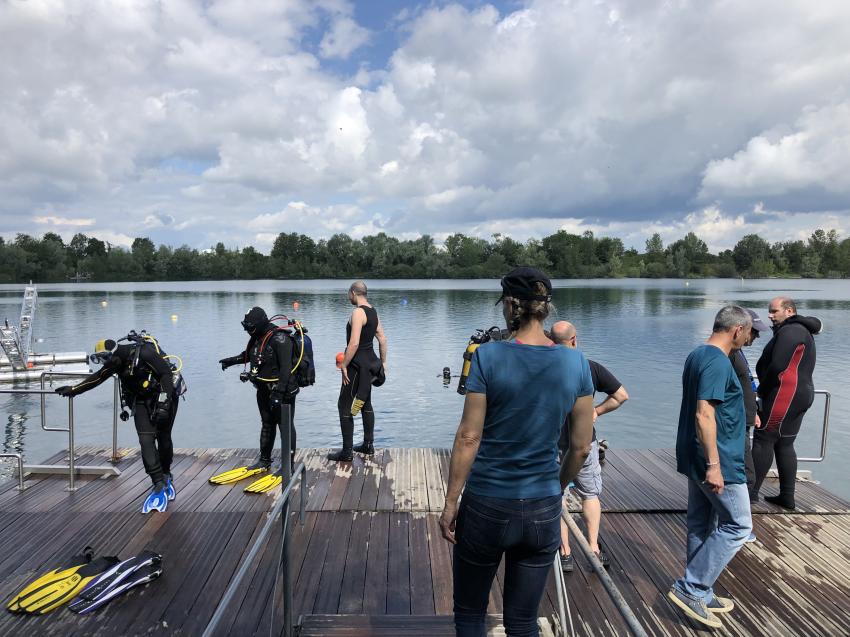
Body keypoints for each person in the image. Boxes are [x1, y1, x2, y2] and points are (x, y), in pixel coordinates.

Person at [439, 267, 595, 637]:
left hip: (487, 504)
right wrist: (556, 486)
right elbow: (581, 447)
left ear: (510, 305)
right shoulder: (576, 361)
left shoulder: (488, 356)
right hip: (542, 506)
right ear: (546, 308)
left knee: (470, 616)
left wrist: (450, 501)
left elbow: (468, 438)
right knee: (523, 622)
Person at [668, 305, 753, 629]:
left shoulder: (698, 354)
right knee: (738, 525)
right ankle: (691, 587)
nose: (747, 339)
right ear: (736, 331)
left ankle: (700, 592)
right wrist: (715, 465)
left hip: (695, 454)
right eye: (747, 333)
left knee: (701, 524)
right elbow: (704, 413)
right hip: (717, 459)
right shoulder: (718, 361)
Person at [55, 331, 183, 513]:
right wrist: (74, 389)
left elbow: (165, 374)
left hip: (164, 396)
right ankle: (158, 483)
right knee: (146, 440)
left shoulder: (144, 353)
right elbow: (97, 378)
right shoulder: (114, 363)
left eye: (103, 359)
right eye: (99, 360)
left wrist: (165, 402)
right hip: (140, 401)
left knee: (163, 437)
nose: (103, 364)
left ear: (112, 353)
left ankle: (166, 473)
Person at [550, 320, 628, 572]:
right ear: (575, 340)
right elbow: (621, 396)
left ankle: (565, 552)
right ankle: (593, 547)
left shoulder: (543, 368)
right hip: (584, 441)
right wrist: (597, 411)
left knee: (557, 495)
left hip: (550, 443)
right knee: (590, 494)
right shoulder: (590, 367)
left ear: (551, 342)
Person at [750, 296, 822, 510]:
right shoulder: (801, 330)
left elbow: (779, 365)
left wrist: (762, 389)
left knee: (763, 439)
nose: (770, 316)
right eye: (769, 311)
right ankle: (787, 496)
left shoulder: (791, 331)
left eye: (774, 311)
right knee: (784, 442)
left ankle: (750, 494)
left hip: (784, 394)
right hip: (801, 394)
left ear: (789, 311)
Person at [215, 307, 298, 492]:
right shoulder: (258, 336)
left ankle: (288, 466)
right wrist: (231, 361)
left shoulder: (280, 339)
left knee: (285, 427)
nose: (247, 330)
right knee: (267, 424)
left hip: (282, 392)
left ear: (259, 324)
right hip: (263, 389)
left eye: (249, 327)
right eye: (246, 327)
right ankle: (264, 460)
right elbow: (250, 354)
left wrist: (278, 394)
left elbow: (286, 369)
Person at [327, 281, 388, 462]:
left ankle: (346, 452)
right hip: (371, 365)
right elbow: (382, 339)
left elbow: (353, 343)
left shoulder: (358, 312)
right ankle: (368, 445)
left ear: (353, 293)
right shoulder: (373, 312)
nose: (348, 297)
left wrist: (344, 364)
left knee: (344, 405)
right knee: (365, 403)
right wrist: (383, 363)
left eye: (348, 293)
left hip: (356, 366)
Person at [729, 310, 771, 499]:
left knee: (746, 472)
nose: (756, 336)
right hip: (735, 422)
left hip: (744, 418)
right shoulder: (728, 354)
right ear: (741, 330)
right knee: (745, 473)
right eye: (754, 331)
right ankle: (738, 520)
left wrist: (753, 410)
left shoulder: (738, 353)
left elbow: (746, 383)